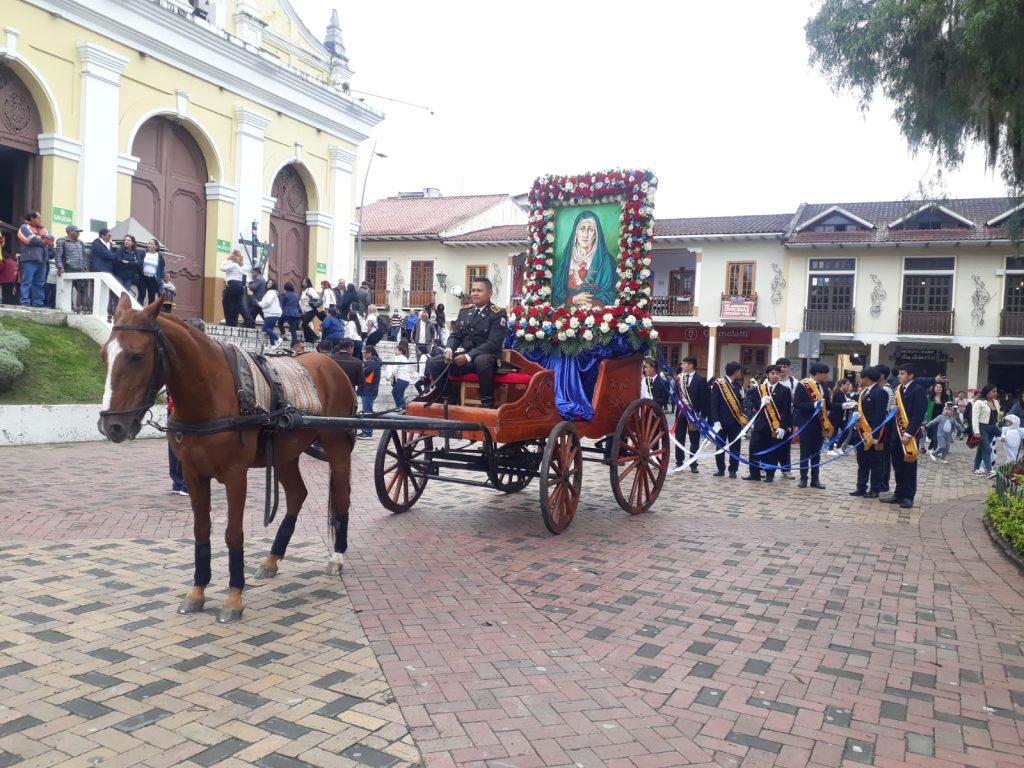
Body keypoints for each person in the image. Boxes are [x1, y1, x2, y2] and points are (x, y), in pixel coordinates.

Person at [424, 277, 508, 409]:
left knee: (481, 360)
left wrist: (469, 356)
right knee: (434, 363)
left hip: (488, 359)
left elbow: (493, 343)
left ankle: (487, 403)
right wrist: (449, 349)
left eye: (479, 290)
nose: (474, 293)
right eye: (473, 290)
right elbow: (456, 335)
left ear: (490, 293)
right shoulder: (465, 311)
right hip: (466, 358)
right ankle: (450, 399)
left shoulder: (498, 314)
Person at [552, 209, 617, 307]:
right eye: (582, 229)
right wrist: (573, 299)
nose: (585, 235)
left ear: (596, 234)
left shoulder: (607, 261)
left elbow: (612, 295)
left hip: (596, 316)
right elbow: (555, 293)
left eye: (590, 230)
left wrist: (591, 304)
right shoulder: (567, 260)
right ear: (576, 233)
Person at [883, 363, 927, 508]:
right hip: (896, 433)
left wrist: (908, 433)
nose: (899, 376)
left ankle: (908, 496)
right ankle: (898, 493)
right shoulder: (898, 389)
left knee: (909, 466)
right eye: (899, 373)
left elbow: (918, 415)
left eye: (902, 373)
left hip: (909, 435)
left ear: (911, 376)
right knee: (897, 465)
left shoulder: (918, 390)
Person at [743, 364, 791, 483]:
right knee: (754, 449)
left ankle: (770, 474)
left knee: (772, 451)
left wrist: (783, 427)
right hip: (760, 425)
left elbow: (786, 411)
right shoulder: (759, 389)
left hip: (775, 426)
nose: (775, 376)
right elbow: (751, 405)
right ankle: (754, 474)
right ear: (767, 374)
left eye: (777, 373)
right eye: (772, 373)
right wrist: (761, 402)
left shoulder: (785, 390)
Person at [849, 367, 888, 497]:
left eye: (862, 378)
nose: (861, 380)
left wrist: (876, 436)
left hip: (872, 433)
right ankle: (861, 487)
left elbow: (880, 415)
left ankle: (875, 489)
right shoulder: (865, 392)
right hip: (861, 433)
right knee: (862, 461)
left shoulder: (880, 392)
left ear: (867, 378)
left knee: (875, 463)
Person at [793, 362, 832, 490]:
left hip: (820, 425)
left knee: (816, 454)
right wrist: (813, 405)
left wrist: (843, 406)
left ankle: (815, 480)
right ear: (817, 373)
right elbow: (797, 404)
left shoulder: (824, 386)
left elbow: (828, 405)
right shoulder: (803, 385)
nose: (826, 376)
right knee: (805, 453)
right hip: (806, 424)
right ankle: (803, 478)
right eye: (824, 373)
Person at [709, 361, 747, 478]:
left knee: (735, 446)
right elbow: (714, 404)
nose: (740, 373)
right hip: (721, 422)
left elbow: (741, 403)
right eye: (739, 371)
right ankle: (720, 469)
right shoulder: (718, 384)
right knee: (720, 446)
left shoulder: (737, 385)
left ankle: (733, 470)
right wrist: (715, 420)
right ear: (735, 372)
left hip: (735, 422)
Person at [672, 356, 708, 474]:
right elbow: (675, 395)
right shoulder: (679, 378)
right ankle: (679, 462)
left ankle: (693, 463)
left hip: (694, 413)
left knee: (694, 439)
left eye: (684, 364)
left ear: (691, 365)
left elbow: (704, 399)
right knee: (679, 437)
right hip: (681, 412)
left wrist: (703, 415)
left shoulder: (701, 380)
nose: (682, 366)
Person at [17, 210, 53, 307]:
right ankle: (25, 302)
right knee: (27, 282)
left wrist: (39, 238)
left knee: (40, 284)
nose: (40, 219)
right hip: (29, 260)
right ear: (32, 218)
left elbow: (51, 240)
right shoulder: (24, 227)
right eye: (38, 217)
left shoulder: (43, 229)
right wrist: (43, 240)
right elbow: (31, 240)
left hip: (42, 260)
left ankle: (38, 303)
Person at [55, 225, 91, 312]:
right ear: (70, 232)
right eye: (77, 231)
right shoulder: (62, 241)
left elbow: (84, 256)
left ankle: (84, 308)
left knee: (82, 289)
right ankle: (69, 307)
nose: (79, 233)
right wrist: (60, 267)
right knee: (67, 290)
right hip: (67, 269)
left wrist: (84, 266)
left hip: (79, 270)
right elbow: (58, 256)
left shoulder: (80, 242)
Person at [774, 358, 798, 479]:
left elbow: (797, 401)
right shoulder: (770, 379)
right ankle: (765, 467)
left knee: (785, 445)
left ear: (788, 368)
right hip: (771, 417)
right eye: (780, 367)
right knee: (768, 444)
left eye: (785, 366)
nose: (782, 369)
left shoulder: (794, 382)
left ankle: (785, 469)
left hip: (786, 418)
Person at [875, 364, 898, 493]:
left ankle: (884, 482)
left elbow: (886, 410)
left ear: (882, 375)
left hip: (885, 427)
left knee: (884, 455)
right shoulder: (878, 387)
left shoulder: (888, 389)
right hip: (880, 425)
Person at [972, 384, 1002, 478]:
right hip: (982, 428)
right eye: (993, 391)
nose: (996, 393)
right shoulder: (979, 402)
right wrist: (976, 431)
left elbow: (997, 416)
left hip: (992, 428)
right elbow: (975, 418)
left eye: (996, 391)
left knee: (982, 449)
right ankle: (989, 470)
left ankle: (976, 469)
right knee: (987, 449)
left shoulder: (996, 402)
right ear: (987, 392)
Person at [356, 345, 381, 439]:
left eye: (364, 353)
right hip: (368, 389)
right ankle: (365, 431)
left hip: (368, 389)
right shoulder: (373, 362)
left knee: (368, 411)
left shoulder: (372, 362)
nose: (363, 355)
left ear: (369, 353)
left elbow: (364, 373)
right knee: (367, 410)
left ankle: (367, 432)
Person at [828, 378, 857, 455]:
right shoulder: (837, 393)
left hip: (843, 417)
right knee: (834, 432)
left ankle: (838, 447)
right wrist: (844, 405)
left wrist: (852, 404)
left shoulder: (845, 394)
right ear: (842, 385)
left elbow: (846, 403)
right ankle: (830, 449)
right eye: (847, 385)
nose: (849, 386)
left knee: (846, 431)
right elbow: (833, 405)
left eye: (849, 385)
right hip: (835, 416)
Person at [922, 382, 949, 456]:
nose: (939, 388)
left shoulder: (946, 398)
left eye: (940, 387)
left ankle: (933, 449)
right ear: (933, 389)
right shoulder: (929, 397)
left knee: (939, 434)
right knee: (934, 434)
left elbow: (950, 407)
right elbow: (924, 408)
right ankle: (935, 448)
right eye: (937, 387)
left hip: (943, 419)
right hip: (932, 419)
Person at [219, 249, 244, 326]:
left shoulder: (233, 265)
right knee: (237, 304)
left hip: (233, 284)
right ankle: (234, 321)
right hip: (240, 285)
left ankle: (229, 321)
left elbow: (221, 268)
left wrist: (227, 259)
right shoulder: (240, 267)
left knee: (226, 302)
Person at [137, 238, 165, 305]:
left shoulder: (159, 256)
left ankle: (149, 313)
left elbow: (162, 267)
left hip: (153, 279)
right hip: (143, 277)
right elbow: (138, 263)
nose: (149, 245)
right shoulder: (143, 253)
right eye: (148, 243)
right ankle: (138, 310)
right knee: (142, 294)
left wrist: (161, 277)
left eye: (151, 244)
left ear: (156, 246)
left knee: (151, 297)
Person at [258, 278, 283, 351]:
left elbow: (267, 302)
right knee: (270, 328)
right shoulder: (271, 292)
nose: (268, 284)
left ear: (273, 285)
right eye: (268, 283)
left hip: (272, 313)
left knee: (265, 328)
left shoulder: (271, 292)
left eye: (271, 283)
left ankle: (278, 339)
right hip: (273, 313)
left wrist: (259, 304)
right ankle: (272, 344)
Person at [390, 340, 413, 409]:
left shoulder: (399, 357)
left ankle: (403, 408)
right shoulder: (404, 357)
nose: (395, 352)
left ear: (400, 351)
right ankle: (400, 408)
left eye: (396, 350)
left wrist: (392, 378)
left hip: (402, 379)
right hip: (405, 379)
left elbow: (395, 368)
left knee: (396, 392)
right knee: (398, 393)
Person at [298, 276, 321, 343]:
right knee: (304, 324)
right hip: (306, 311)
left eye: (305, 282)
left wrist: (310, 295)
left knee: (304, 324)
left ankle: (315, 337)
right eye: (303, 282)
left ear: (308, 282)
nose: (304, 283)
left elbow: (316, 297)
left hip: (311, 310)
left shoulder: (310, 290)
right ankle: (308, 339)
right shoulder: (303, 291)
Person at [279, 280, 301, 348]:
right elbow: (297, 305)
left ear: (285, 287)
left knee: (280, 323)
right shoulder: (296, 295)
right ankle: (294, 342)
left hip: (286, 312)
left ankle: (283, 335)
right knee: (293, 329)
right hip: (295, 313)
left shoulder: (284, 294)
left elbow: (281, 304)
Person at [0, 231, 17, 305]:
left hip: (5, 280)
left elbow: (1, 269)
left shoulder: (4, 261)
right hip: (13, 280)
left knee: (5, 295)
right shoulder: (13, 261)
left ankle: (5, 305)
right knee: (11, 294)